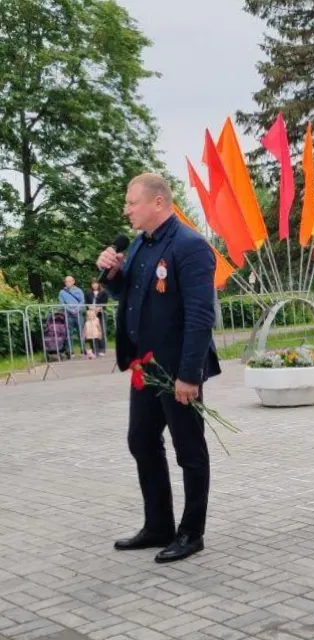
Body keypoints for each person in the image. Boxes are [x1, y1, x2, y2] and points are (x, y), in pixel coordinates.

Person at [97, 173, 220, 564]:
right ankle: (158, 525)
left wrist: (189, 375)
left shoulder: (190, 246)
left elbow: (201, 316)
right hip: (144, 367)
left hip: (177, 369)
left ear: (158, 203)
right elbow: (130, 295)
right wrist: (113, 274)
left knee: (190, 450)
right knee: (141, 440)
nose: (127, 209)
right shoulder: (137, 245)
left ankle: (191, 532)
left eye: (132, 202)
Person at [58, 276, 85, 351]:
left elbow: (82, 302)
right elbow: (62, 303)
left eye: (70, 281)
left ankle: (83, 349)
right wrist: (70, 310)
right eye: (66, 281)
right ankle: (70, 351)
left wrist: (77, 309)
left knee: (81, 332)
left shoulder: (79, 291)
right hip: (68, 315)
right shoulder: (62, 292)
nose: (68, 283)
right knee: (69, 333)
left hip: (78, 314)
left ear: (73, 282)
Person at [85, 279, 110, 356]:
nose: (94, 285)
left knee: (101, 330)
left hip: (101, 313)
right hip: (91, 314)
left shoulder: (104, 292)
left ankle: (102, 349)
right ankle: (95, 349)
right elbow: (86, 303)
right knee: (92, 331)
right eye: (93, 284)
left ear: (99, 284)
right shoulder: (88, 293)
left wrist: (98, 309)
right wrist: (91, 309)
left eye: (96, 283)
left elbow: (104, 302)